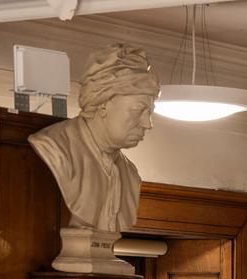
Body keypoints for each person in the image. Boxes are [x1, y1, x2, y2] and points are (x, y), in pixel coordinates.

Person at [28, 43, 160, 233]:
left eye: (150, 113)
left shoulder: (130, 173)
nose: (148, 124)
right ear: (102, 105)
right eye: (138, 110)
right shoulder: (55, 149)